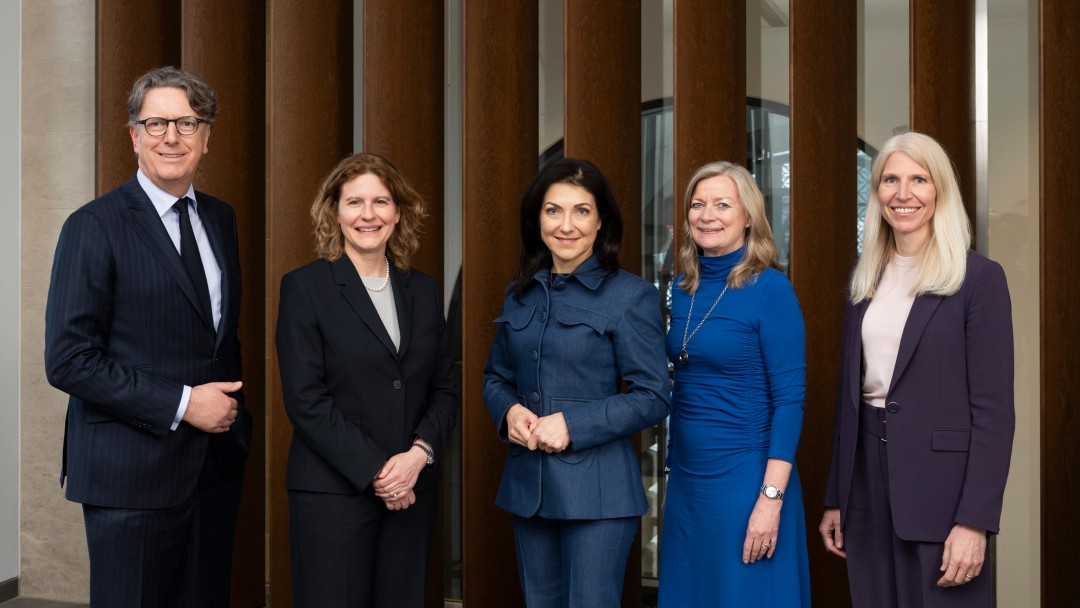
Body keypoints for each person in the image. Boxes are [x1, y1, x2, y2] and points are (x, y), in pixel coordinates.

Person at [44, 66, 251, 607]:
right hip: (129, 475)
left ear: (207, 137)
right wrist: (185, 404)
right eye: (156, 123)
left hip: (213, 469)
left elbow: (219, 336)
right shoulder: (93, 226)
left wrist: (230, 420)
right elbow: (68, 359)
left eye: (187, 123)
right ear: (135, 136)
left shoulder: (221, 219)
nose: (171, 137)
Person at [819, 132, 1015, 607]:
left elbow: (994, 413)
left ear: (939, 190)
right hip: (866, 487)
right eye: (890, 180)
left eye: (918, 179)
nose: (902, 193)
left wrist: (975, 520)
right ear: (877, 191)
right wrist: (837, 496)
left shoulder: (978, 279)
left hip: (942, 494)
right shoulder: (864, 278)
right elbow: (849, 398)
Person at [483, 158, 670, 607]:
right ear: (538, 219)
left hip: (599, 496)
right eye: (553, 210)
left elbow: (653, 395)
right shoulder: (519, 293)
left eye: (581, 211)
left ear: (600, 221)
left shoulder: (631, 295)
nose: (566, 225)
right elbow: (495, 377)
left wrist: (572, 424)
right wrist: (509, 411)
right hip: (529, 489)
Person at [276, 152, 457, 607]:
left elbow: (444, 388)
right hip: (332, 497)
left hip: (412, 493)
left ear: (398, 212)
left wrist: (417, 458)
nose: (368, 215)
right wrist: (379, 471)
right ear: (334, 212)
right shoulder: (305, 288)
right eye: (354, 202)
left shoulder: (423, 289)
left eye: (381, 201)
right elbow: (305, 399)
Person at [657, 161, 811, 606]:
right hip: (688, 483)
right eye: (698, 204)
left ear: (748, 216)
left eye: (723, 205)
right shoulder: (683, 288)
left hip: (747, 481)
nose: (707, 215)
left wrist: (770, 499)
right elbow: (684, 389)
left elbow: (790, 400)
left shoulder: (771, 288)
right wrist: (671, 475)